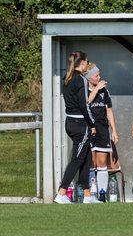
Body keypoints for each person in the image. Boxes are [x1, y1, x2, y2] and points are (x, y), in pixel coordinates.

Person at [54, 51, 100, 204]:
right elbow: (84, 105)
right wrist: (92, 124)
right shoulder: (81, 79)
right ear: (82, 63)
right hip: (81, 124)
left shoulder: (67, 77)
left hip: (70, 122)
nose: (88, 64)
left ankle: (87, 195)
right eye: (87, 61)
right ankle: (61, 193)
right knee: (77, 159)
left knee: (85, 157)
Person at [85, 63, 119, 197]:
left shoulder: (104, 92)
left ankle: (102, 194)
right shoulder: (84, 90)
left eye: (99, 75)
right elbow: (86, 102)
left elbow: (109, 111)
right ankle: (91, 194)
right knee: (90, 162)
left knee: (102, 163)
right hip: (88, 129)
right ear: (88, 77)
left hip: (103, 130)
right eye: (96, 75)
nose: (99, 78)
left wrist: (114, 130)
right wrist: (96, 88)